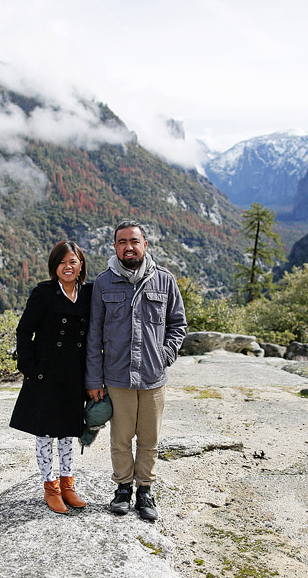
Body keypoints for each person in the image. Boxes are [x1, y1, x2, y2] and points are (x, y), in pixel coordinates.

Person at [85, 220, 187, 521]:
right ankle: (123, 489)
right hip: (117, 377)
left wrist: (165, 354)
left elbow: (178, 325)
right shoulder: (104, 283)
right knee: (120, 439)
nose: (128, 247)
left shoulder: (165, 281)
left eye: (134, 241)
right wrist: (93, 379)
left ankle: (145, 490)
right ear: (115, 247)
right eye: (122, 242)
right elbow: (93, 334)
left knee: (149, 438)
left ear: (145, 245)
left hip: (153, 377)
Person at [10, 240, 92, 514]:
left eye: (72, 261)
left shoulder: (88, 294)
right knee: (45, 434)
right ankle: (51, 486)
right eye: (61, 262)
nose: (67, 267)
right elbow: (24, 332)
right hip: (46, 375)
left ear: (81, 265)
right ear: (54, 267)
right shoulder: (43, 293)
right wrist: (30, 368)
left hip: (74, 375)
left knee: (67, 434)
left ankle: (68, 485)